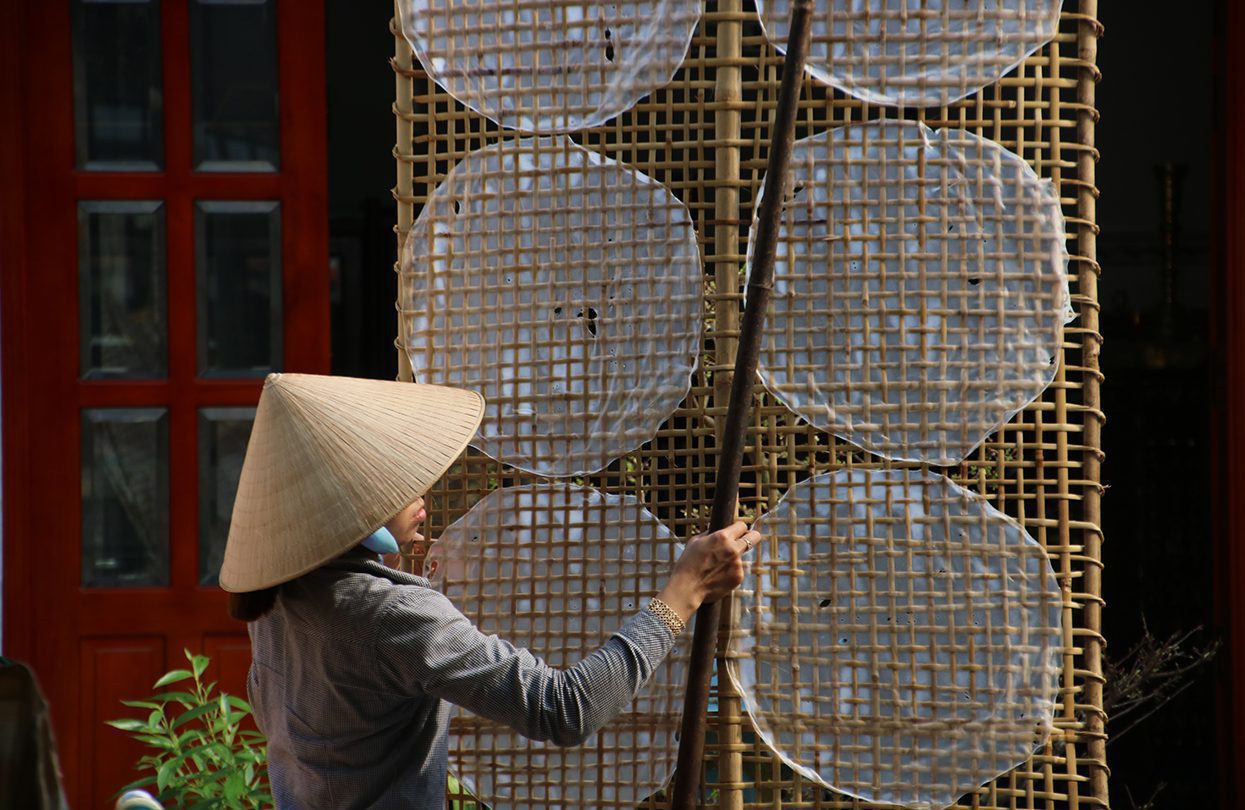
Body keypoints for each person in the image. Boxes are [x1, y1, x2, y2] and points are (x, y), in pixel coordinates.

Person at [219, 373, 756, 809]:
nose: (421, 490)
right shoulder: (392, 614)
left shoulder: (279, 596)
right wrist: (682, 592)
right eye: (399, 480)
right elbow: (564, 707)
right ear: (352, 507)